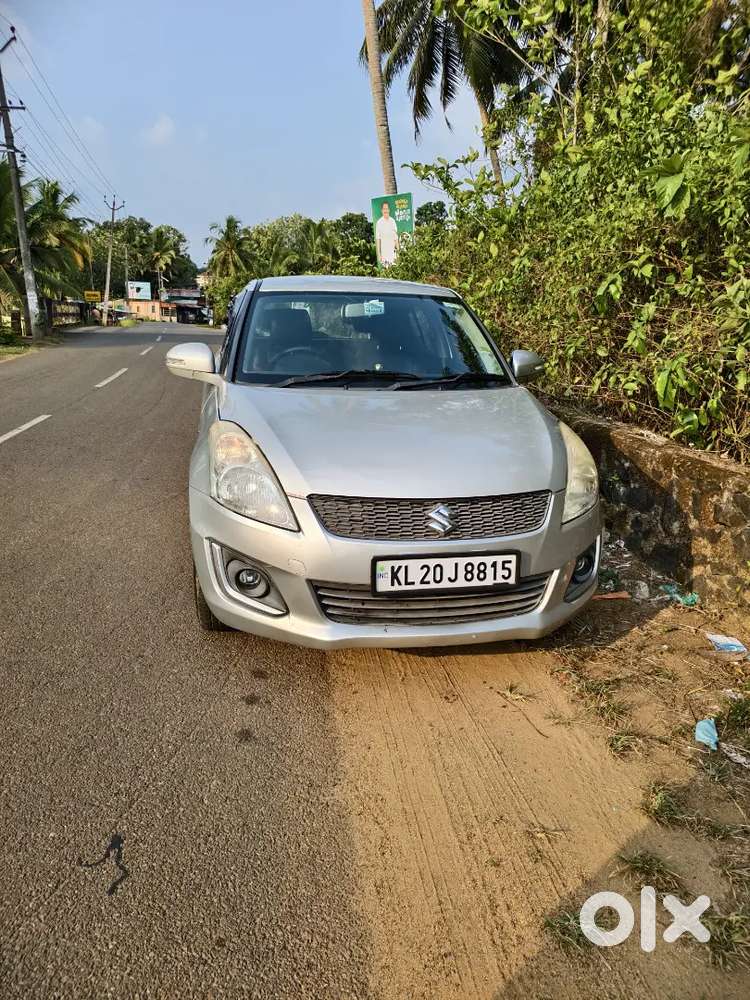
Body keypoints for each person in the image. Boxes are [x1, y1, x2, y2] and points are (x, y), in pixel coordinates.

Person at [375, 200, 399, 267]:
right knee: (386, 271)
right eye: (384, 209)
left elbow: (396, 238)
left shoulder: (392, 221)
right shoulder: (379, 222)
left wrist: (399, 252)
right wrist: (379, 255)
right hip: (384, 254)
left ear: (389, 210)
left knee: (396, 269)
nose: (385, 210)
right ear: (382, 210)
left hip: (393, 253)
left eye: (387, 208)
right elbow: (378, 239)